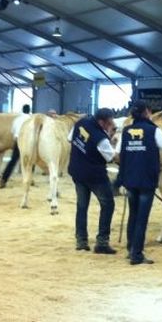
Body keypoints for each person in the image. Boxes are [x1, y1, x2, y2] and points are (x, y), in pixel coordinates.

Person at [116, 100, 162, 265]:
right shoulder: (153, 131)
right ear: (147, 112)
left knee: (133, 215)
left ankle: (131, 248)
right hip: (146, 181)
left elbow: (117, 155)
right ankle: (137, 255)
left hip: (130, 180)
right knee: (141, 218)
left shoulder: (126, 131)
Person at [67, 108, 117, 254]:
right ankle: (102, 242)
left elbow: (70, 139)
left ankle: (81, 241)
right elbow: (111, 157)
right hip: (95, 176)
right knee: (108, 204)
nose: (111, 124)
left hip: (77, 171)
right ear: (102, 122)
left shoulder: (81, 122)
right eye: (109, 122)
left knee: (82, 206)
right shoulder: (100, 138)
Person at [0, 104, 31, 188]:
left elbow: (13, 131)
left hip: (18, 141)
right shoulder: (31, 119)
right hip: (28, 141)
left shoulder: (17, 119)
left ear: (22, 110)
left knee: (13, 161)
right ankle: (29, 179)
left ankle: (4, 179)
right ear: (29, 110)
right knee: (31, 160)